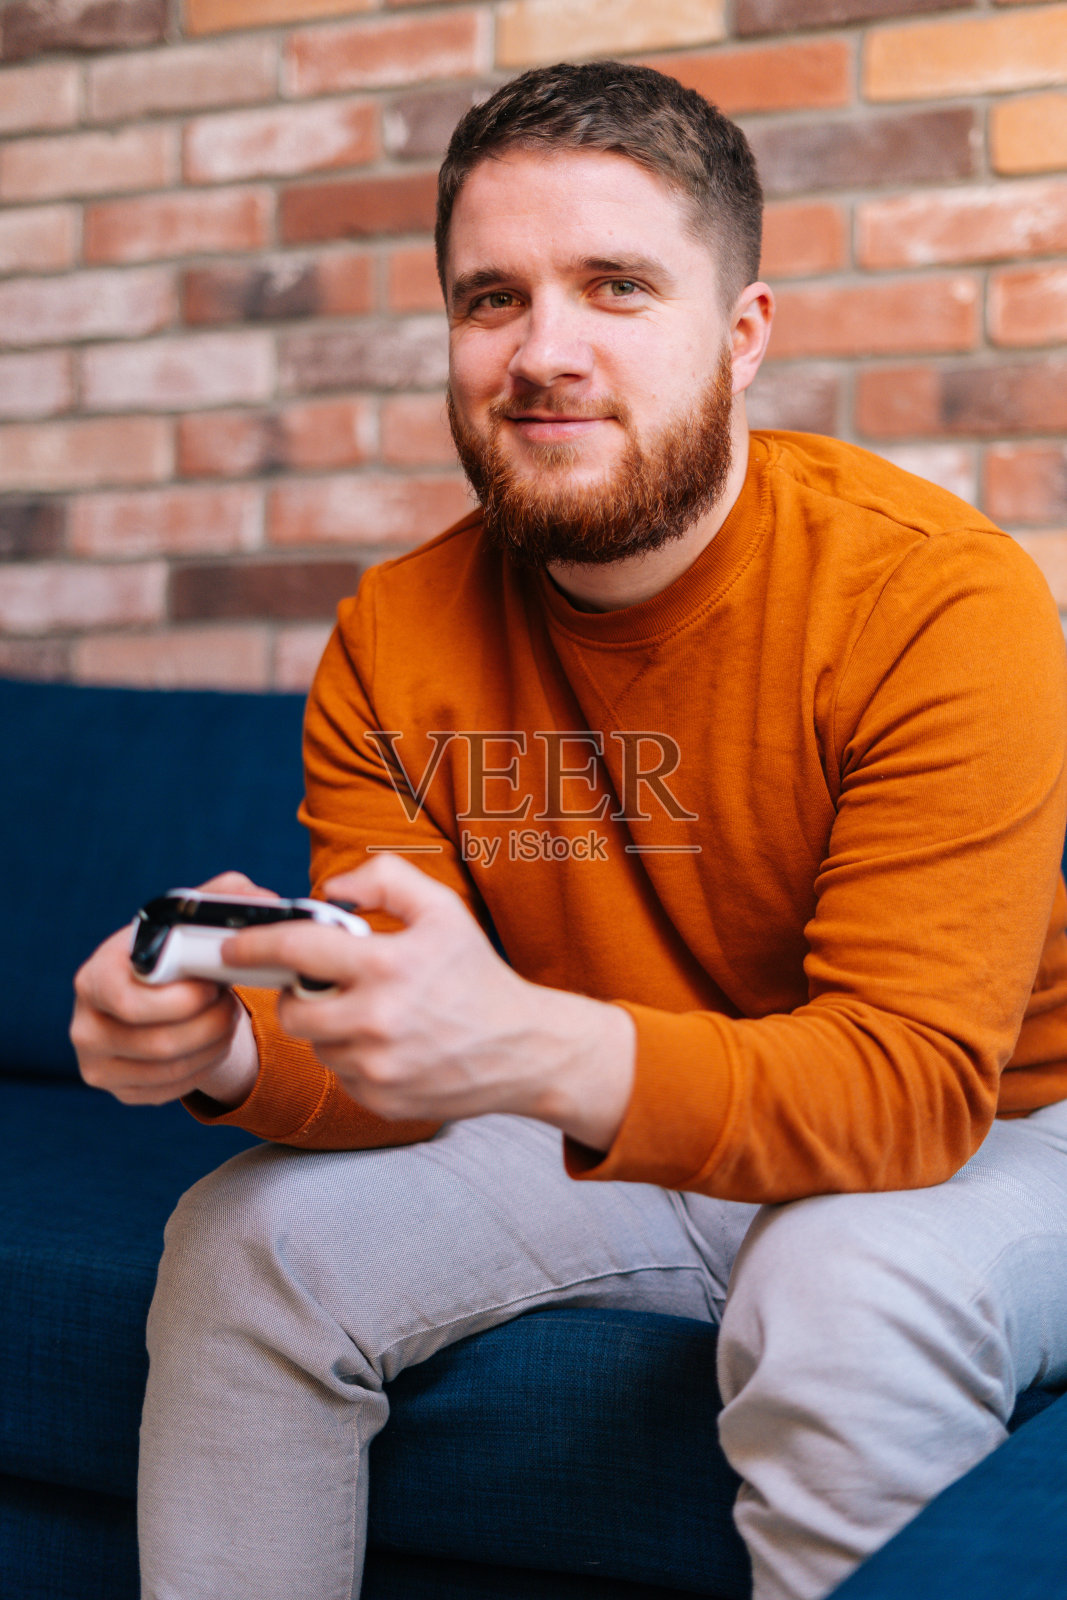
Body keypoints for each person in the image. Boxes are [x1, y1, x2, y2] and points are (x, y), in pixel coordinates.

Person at [70, 60, 1067, 1600]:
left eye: (616, 286)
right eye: (491, 299)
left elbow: (904, 1091)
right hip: (635, 1124)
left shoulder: (936, 594)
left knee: (839, 1280)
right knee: (245, 1241)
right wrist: (231, 1054)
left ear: (741, 339)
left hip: (993, 1137)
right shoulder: (394, 637)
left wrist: (524, 1045)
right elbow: (403, 1054)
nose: (546, 353)